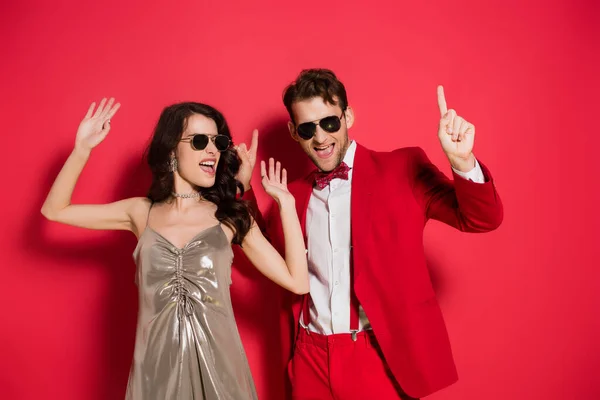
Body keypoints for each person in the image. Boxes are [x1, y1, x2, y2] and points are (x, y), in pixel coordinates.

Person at [241, 69, 504, 400]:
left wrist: (463, 161)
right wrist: (242, 189)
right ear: (294, 132)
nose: (320, 138)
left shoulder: (402, 169)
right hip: (309, 358)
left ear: (348, 115)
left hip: (375, 357)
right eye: (308, 128)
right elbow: (263, 258)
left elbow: (482, 218)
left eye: (330, 122)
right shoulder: (291, 195)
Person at [41, 98, 309, 400]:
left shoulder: (231, 217)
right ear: (171, 151)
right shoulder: (141, 213)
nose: (212, 150)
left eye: (217, 141)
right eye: (199, 141)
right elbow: (55, 210)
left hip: (222, 376)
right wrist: (82, 149)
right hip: (155, 376)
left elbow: (297, 281)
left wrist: (286, 205)